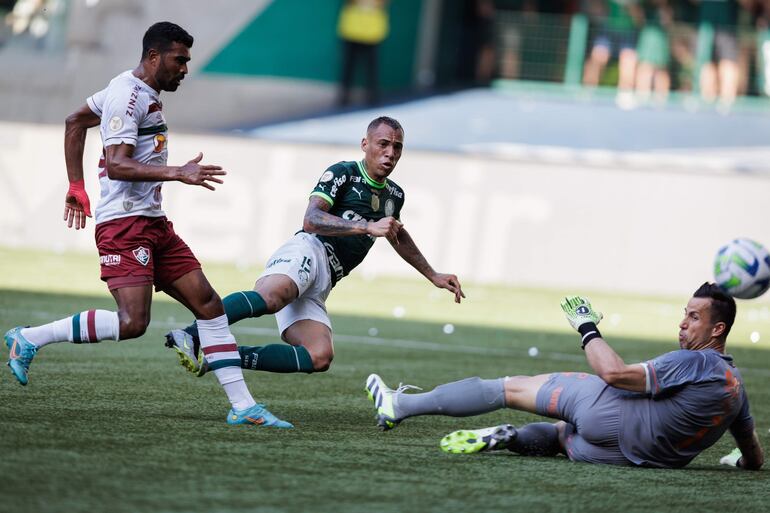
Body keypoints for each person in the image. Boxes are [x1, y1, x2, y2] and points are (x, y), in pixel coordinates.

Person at [3, 22, 291, 429]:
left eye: (187, 61)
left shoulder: (134, 91)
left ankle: (243, 406)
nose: (185, 69)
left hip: (154, 224)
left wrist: (76, 185)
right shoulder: (126, 96)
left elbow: (74, 121)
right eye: (180, 60)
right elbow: (118, 165)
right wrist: (178, 173)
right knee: (132, 323)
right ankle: (29, 338)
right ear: (154, 57)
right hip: (124, 225)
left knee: (209, 305)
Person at [164, 117, 465, 412]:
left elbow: (397, 236)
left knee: (318, 357)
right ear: (365, 144)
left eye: (397, 147)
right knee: (271, 298)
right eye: (383, 144)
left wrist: (433, 274)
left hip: (326, 280)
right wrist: (366, 226)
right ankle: (191, 333)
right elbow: (312, 219)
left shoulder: (394, 195)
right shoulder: (343, 174)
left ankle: (222, 356)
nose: (390, 153)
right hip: (309, 251)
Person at [365, 284, 764, 470]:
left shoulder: (697, 361)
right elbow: (754, 454)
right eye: (684, 314)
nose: (682, 325)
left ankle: (399, 405)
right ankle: (510, 438)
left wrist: (586, 326)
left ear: (717, 331)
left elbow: (614, 373)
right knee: (558, 437)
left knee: (510, 387)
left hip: (608, 414)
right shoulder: (736, 388)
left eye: (693, 318)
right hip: (631, 459)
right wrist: (739, 462)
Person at [337, 0, 390, 106]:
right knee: (348, 66)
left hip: (372, 32)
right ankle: (344, 97)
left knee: (371, 67)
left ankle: (373, 97)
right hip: (352, 30)